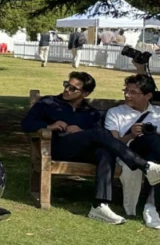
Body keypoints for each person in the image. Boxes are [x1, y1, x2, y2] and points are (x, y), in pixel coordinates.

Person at [22, 71, 160, 224]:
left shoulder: (91, 113)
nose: (67, 89)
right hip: (57, 147)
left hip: (82, 151)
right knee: (98, 133)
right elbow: (26, 124)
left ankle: (99, 205)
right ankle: (144, 166)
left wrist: (82, 132)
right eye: (67, 85)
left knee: (105, 149)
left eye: (74, 88)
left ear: (85, 93)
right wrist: (49, 125)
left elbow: (101, 139)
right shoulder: (48, 103)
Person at [104, 75, 160, 228]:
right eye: (126, 91)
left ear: (148, 95)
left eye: (133, 92)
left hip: (152, 156)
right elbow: (112, 142)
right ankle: (150, 207)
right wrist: (131, 135)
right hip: (127, 153)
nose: (127, 95)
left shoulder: (158, 113)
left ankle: (150, 207)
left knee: (154, 147)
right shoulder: (115, 112)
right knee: (153, 141)